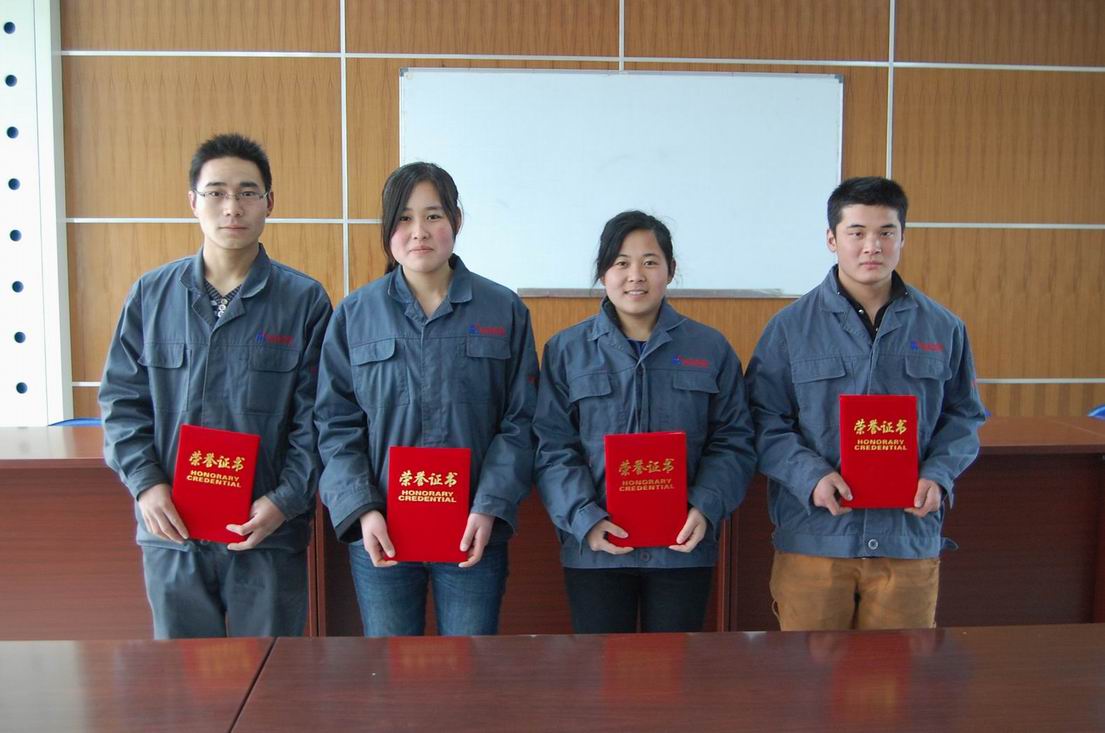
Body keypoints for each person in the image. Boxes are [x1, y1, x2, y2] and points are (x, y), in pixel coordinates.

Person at [99, 132, 333, 638]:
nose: (232, 207)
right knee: (182, 677)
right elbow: (121, 403)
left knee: (269, 673)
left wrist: (284, 501)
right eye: (216, 193)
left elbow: (317, 419)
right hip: (173, 529)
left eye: (248, 192)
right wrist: (147, 486)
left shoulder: (304, 301)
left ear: (269, 202)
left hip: (265, 531)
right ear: (193, 202)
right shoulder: (151, 296)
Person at [745, 176, 986, 631]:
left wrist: (938, 474)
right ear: (832, 239)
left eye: (886, 232)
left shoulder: (943, 327)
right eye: (856, 232)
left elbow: (964, 416)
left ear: (902, 238)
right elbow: (761, 419)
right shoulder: (789, 328)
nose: (872, 246)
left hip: (906, 539)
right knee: (811, 672)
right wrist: (810, 476)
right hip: (817, 538)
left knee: (895, 672)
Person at [315, 162, 538, 637]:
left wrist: (489, 505)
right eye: (404, 218)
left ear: (456, 220)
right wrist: (362, 509)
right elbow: (335, 424)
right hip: (382, 532)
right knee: (391, 668)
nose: (419, 231)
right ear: (387, 230)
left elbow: (521, 421)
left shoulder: (504, 310)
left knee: (469, 665)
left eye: (433, 216)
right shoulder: (355, 314)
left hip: (472, 530)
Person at [534, 210, 756, 633]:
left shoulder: (710, 348)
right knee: (600, 666)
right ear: (603, 272)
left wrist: (706, 506)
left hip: (682, 547)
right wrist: (584, 518)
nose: (635, 275)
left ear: (670, 270)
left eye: (650, 262)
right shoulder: (566, 351)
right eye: (621, 263)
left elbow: (734, 440)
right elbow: (552, 445)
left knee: (673, 667)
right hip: (595, 549)